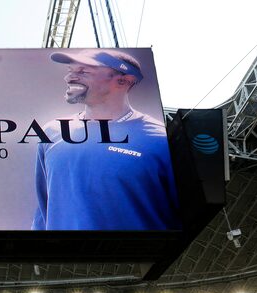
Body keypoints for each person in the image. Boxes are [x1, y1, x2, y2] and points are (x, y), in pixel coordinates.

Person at [32, 49, 180, 232]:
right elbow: (43, 205)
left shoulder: (160, 139)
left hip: (139, 256)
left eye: (83, 72)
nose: (69, 78)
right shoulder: (52, 131)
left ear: (125, 80)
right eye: (70, 71)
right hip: (65, 257)